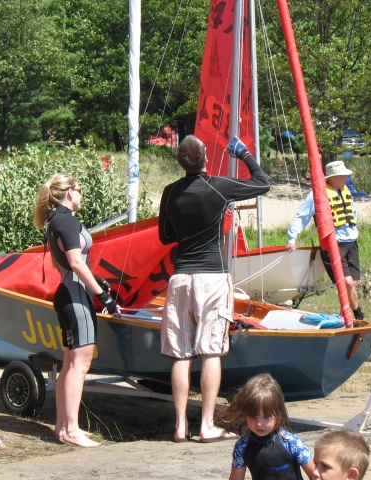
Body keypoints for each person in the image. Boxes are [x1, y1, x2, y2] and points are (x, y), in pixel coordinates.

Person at [158, 135, 270, 443]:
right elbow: (262, 183)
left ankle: (180, 426)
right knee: (210, 351)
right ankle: (206, 425)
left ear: (180, 162)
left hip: (181, 278)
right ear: (205, 157)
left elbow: (166, 236)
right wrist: (244, 153)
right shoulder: (218, 187)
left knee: (181, 354)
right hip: (212, 276)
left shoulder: (169, 192)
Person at [33, 173, 117, 448]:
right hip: (75, 299)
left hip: (70, 293)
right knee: (79, 366)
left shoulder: (55, 220)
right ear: (69, 192)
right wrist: (102, 295)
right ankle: (71, 429)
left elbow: (67, 267)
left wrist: (95, 281)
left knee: (70, 365)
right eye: (79, 190)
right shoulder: (66, 221)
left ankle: (62, 426)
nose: (81, 195)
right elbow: (75, 262)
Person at [286, 160, 364, 321]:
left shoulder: (345, 190)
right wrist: (292, 238)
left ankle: (346, 316)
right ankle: (358, 316)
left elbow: (353, 212)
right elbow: (302, 216)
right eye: (343, 175)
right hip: (333, 244)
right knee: (347, 284)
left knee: (353, 283)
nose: (346, 178)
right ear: (333, 177)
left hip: (351, 241)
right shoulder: (317, 194)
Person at [221, 373, 315, 480]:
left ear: (278, 415)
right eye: (252, 416)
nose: (259, 423)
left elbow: (315, 475)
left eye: (266, 417)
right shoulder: (242, 446)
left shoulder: (291, 443)